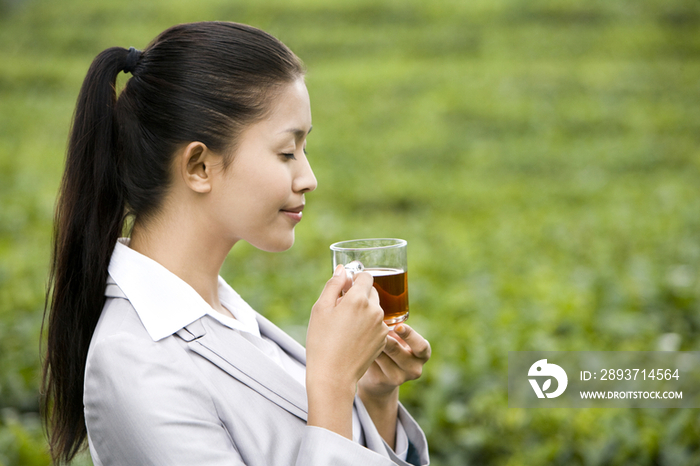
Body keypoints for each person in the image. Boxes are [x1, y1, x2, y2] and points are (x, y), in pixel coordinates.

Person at [41, 21, 431, 466]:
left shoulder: (225, 314)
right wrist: (332, 385)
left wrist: (373, 397)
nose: (309, 178)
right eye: (287, 152)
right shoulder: (133, 362)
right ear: (200, 166)